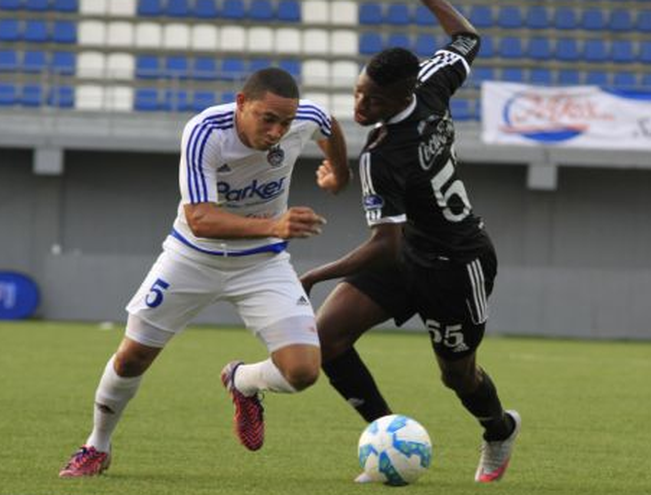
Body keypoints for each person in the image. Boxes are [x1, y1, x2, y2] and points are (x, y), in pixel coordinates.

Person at [59, 67, 350, 477]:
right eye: (268, 119)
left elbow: (329, 125)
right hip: (193, 257)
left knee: (303, 372)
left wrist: (340, 172)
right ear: (241, 103)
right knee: (132, 357)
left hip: (262, 263)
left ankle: (243, 381)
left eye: (285, 122)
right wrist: (274, 225)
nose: (277, 131)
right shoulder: (205, 132)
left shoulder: (304, 118)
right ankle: (96, 445)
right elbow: (201, 219)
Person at [299, 0, 519, 484]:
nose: (361, 106)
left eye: (373, 102)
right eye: (359, 93)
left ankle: (499, 430)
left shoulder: (382, 155)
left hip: (457, 265)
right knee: (327, 338)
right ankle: (385, 444)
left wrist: (315, 273)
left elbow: (383, 244)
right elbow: (468, 37)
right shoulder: (432, 79)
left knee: (457, 377)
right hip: (409, 249)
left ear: (403, 96)